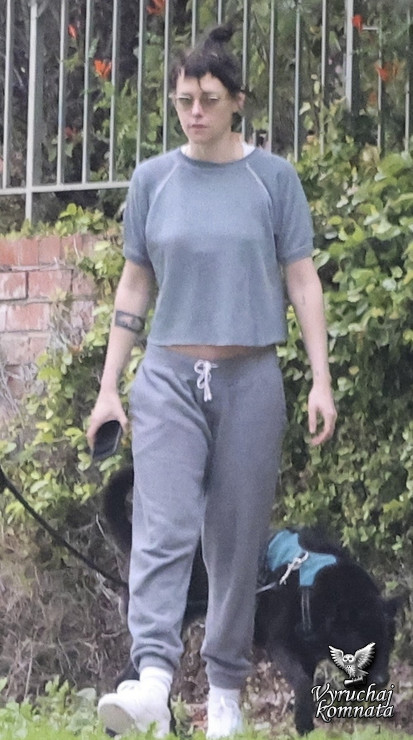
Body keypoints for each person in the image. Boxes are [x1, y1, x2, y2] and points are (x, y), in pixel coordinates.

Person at [87, 23, 337, 739]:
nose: (194, 112)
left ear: (236, 102)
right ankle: (152, 681)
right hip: (168, 377)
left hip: (249, 378)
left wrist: (320, 380)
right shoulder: (153, 181)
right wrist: (109, 386)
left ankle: (224, 691)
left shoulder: (272, 180)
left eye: (208, 100)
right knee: (160, 527)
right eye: (183, 101)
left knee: (234, 540)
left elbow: (302, 281)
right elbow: (135, 285)